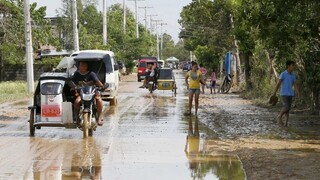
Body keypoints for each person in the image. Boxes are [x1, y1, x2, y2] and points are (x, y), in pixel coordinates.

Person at [69, 61, 104, 126]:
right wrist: (73, 87)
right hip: (81, 94)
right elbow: (73, 84)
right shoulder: (76, 74)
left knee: (99, 100)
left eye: (84, 66)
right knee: (76, 102)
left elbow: (97, 82)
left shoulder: (91, 74)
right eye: (81, 65)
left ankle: (99, 118)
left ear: (87, 67)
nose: (82, 67)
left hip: (92, 93)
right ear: (78, 66)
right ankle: (77, 119)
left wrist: (103, 87)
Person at [273, 60, 299, 127]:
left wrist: (297, 91)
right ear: (288, 66)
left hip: (290, 93)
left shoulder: (293, 75)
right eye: (292, 65)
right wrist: (274, 92)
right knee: (286, 107)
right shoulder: (283, 74)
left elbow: (295, 84)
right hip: (284, 93)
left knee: (288, 109)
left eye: (294, 65)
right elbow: (278, 84)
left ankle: (286, 123)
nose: (293, 67)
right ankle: (279, 116)